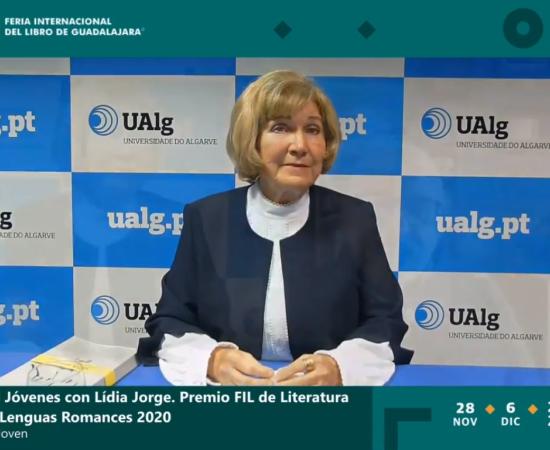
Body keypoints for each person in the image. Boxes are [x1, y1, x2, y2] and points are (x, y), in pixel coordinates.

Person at [137, 70, 412, 385]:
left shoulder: (355, 219)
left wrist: (339, 367)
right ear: (251, 140)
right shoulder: (207, 218)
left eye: (312, 129)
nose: (300, 145)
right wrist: (213, 359)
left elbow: (385, 321)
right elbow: (170, 320)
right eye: (281, 127)